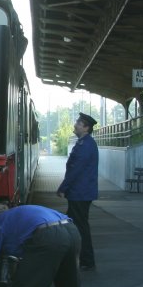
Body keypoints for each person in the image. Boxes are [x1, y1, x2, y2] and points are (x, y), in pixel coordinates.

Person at [57, 112, 99, 270]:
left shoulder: (86, 145)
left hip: (80, 193)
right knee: (73, 225)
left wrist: (63, 187)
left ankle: (87, 260)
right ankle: (77, 257)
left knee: (80, 226)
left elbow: (76, 169)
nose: (75, 125)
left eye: (78, 123)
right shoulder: (84, 143)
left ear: (86, 128)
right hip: (80, 192)